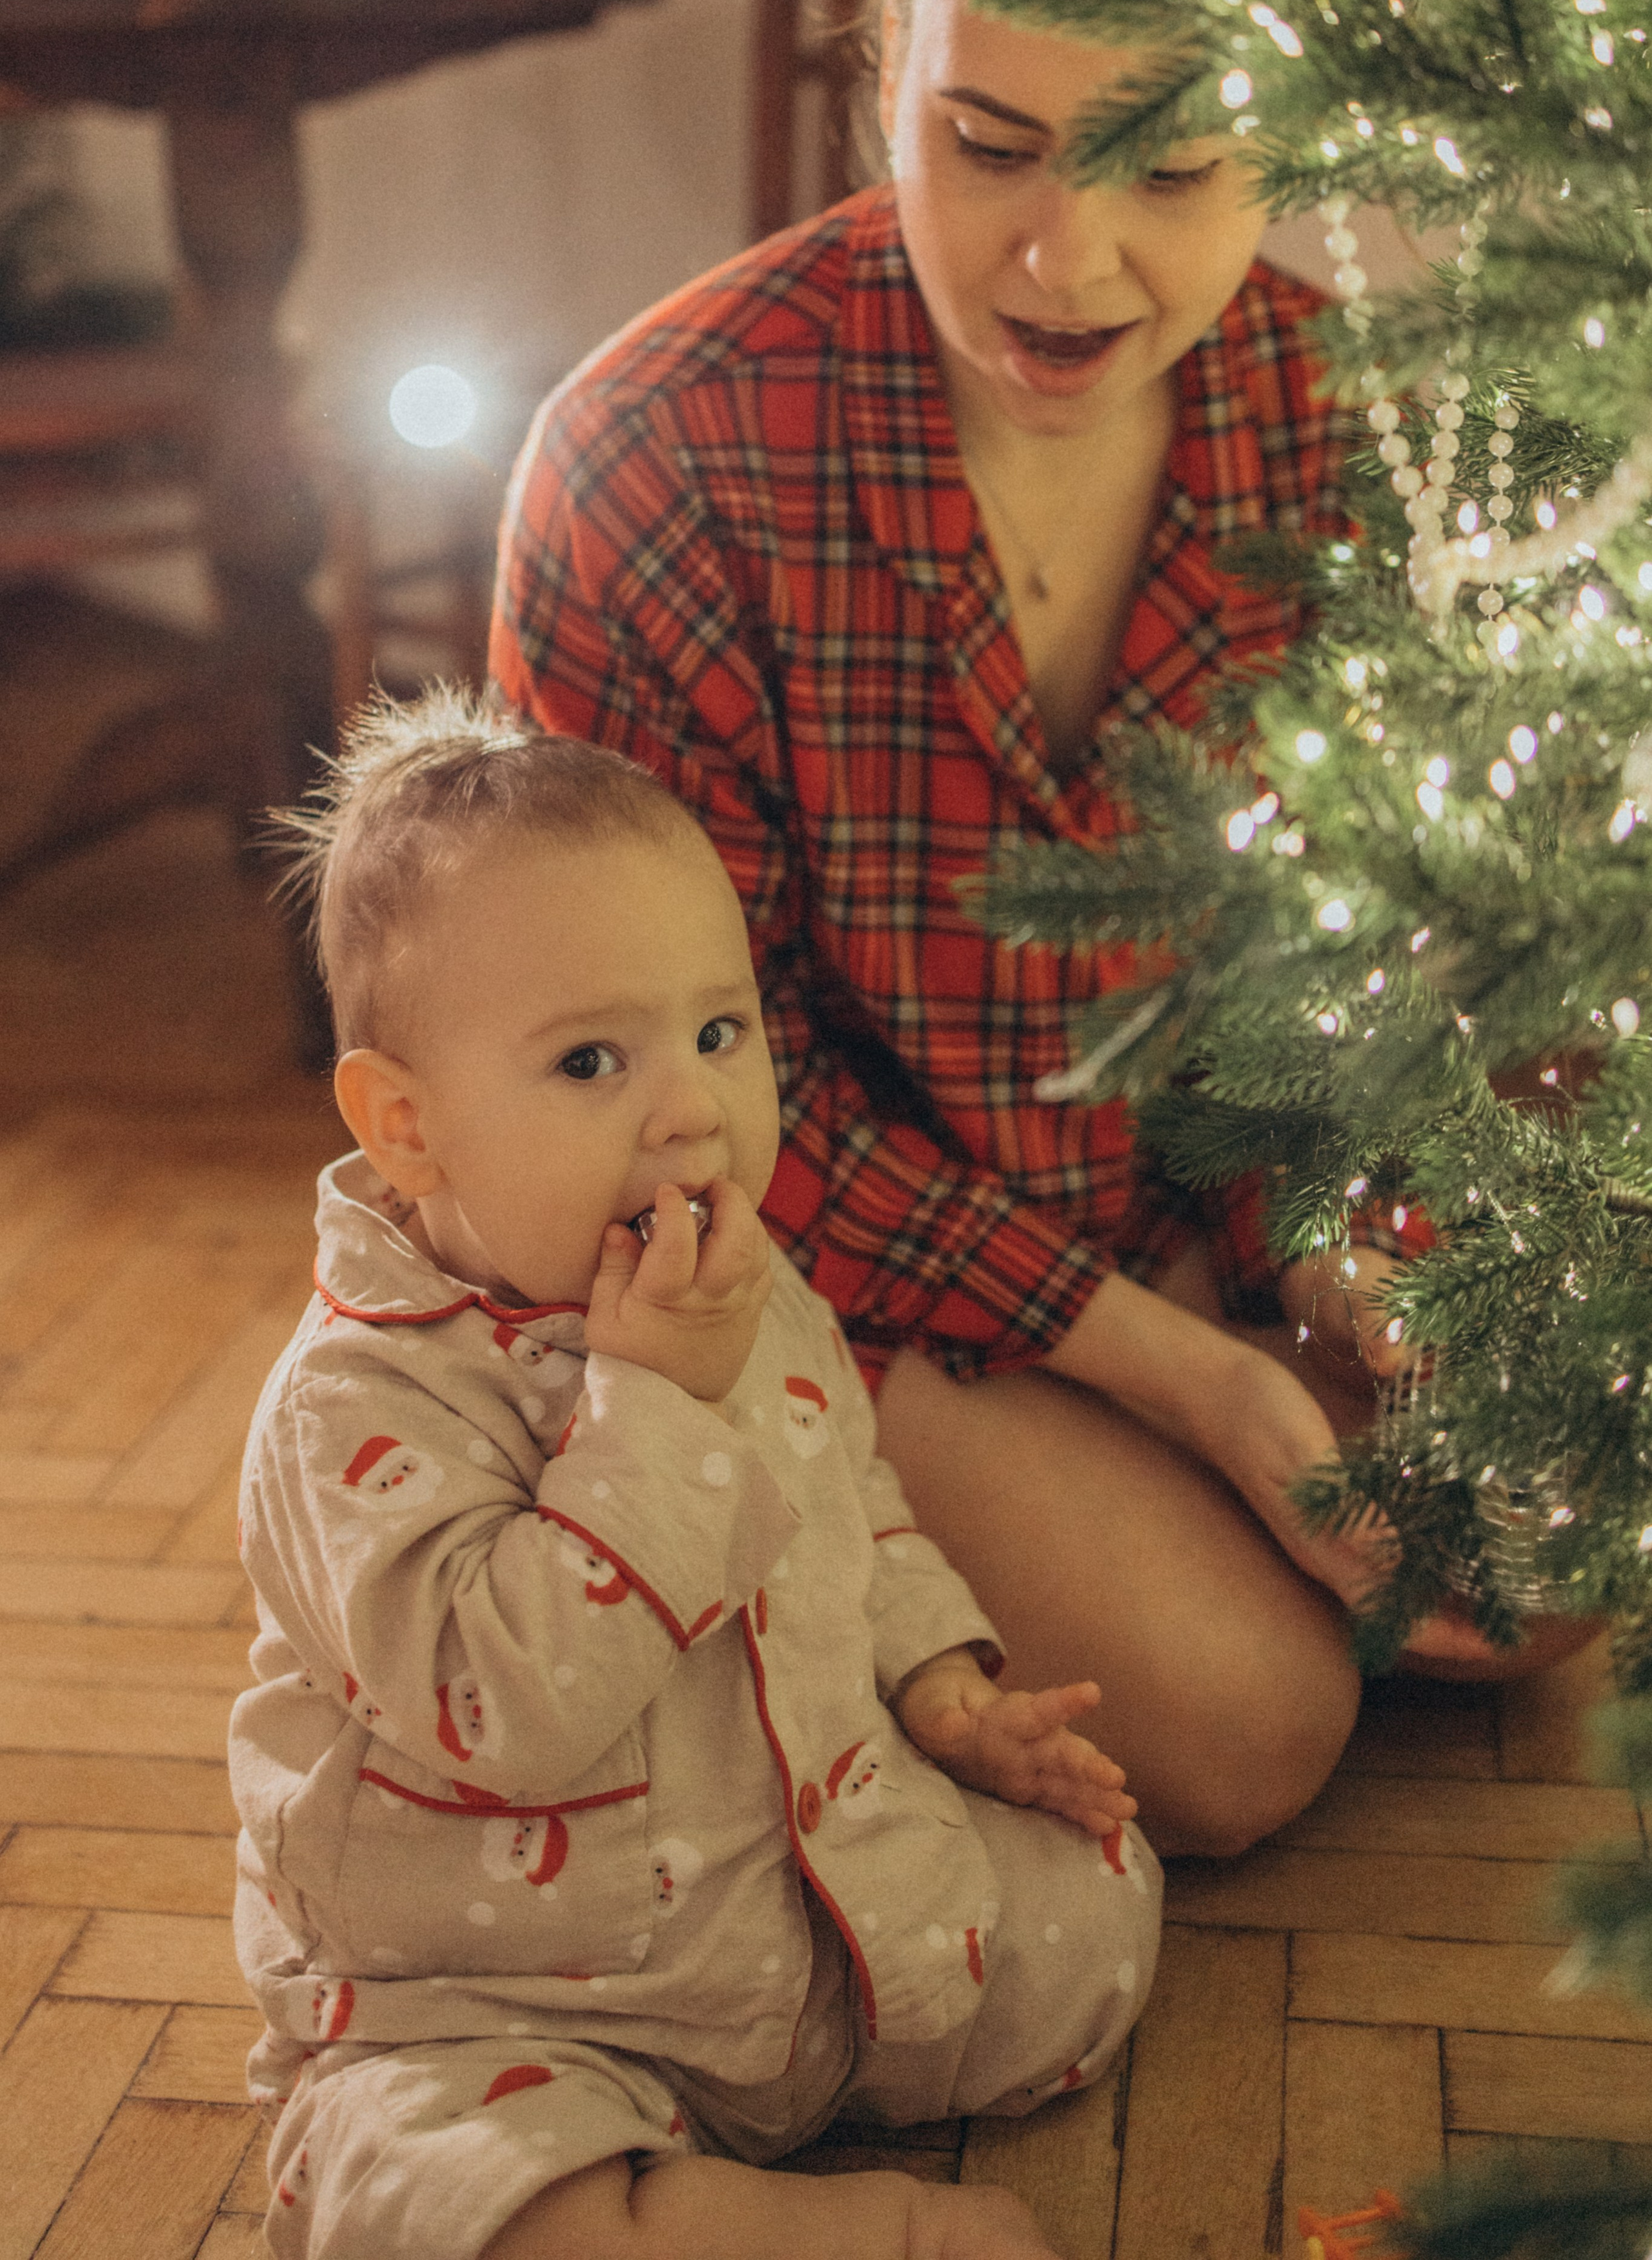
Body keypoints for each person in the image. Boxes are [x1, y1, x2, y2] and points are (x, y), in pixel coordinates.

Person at [494, 0, 1585, 1857]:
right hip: (798, 1263)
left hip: (1178, 1217)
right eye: (984, 142)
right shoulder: (658, 462)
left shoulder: (1333, 417)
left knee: (1554, 1562)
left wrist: (1349, 1269)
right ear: (881, 66)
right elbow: (686, 1115)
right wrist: (1199, 1387)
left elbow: (1343, 978)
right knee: (1248, 1728)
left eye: (1173, 163)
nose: (1063, 259)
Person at [232, 688, 1162, 2260]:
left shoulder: (748, 1280)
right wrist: (655, 1400)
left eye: (718, 1032)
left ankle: (769, 2100)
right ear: (406, 1126)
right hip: (500, 2003)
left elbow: (850, 1492)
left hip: (779, 1913)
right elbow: (502, 1711)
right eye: (592, 1058)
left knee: (1105, 1904)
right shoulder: (353, 1410)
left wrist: (941, 1688)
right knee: (431, 2192)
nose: (691, 1108)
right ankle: (836, 2228)